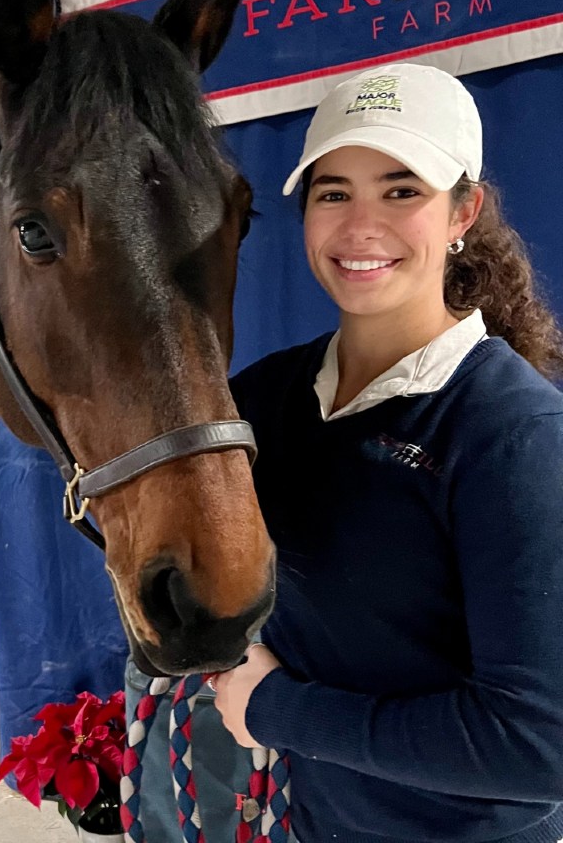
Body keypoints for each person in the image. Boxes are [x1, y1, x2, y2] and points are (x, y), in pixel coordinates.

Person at [208, 62, 563, 843]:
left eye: (402, 191)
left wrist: (278, 711)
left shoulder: (513, 434)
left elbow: (539, 746)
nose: (360, 225)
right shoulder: (261, 401)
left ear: (462, 210)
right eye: (333, 192)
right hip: (315, 823)